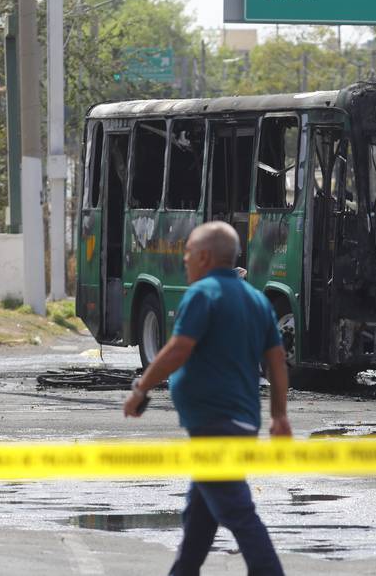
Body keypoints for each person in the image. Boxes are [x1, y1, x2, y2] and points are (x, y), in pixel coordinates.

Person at [124, 221, 290, 576]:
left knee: (237, 511)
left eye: (187, 253)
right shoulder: (256, 299)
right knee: (199, 517)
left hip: (215, 424)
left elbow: (178, 349)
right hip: (240, 421)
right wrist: (279, 416)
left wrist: (141, 389)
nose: (184, 261)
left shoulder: (203, 293)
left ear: (204, 256)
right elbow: (277, 360)